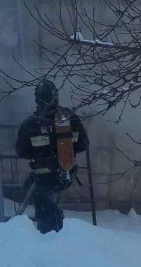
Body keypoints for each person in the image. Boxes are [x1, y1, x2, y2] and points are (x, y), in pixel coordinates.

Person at [14, 79, 89, 233]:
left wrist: (42, 153)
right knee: (54, 204)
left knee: (45, 218)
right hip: (66, 173)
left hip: (44, 177)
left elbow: (21, 152)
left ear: (37, 99)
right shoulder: (70, 118)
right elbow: (83, 144)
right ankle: (58, 228)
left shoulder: (30, 124)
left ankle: (50, 241)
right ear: (55, 96)